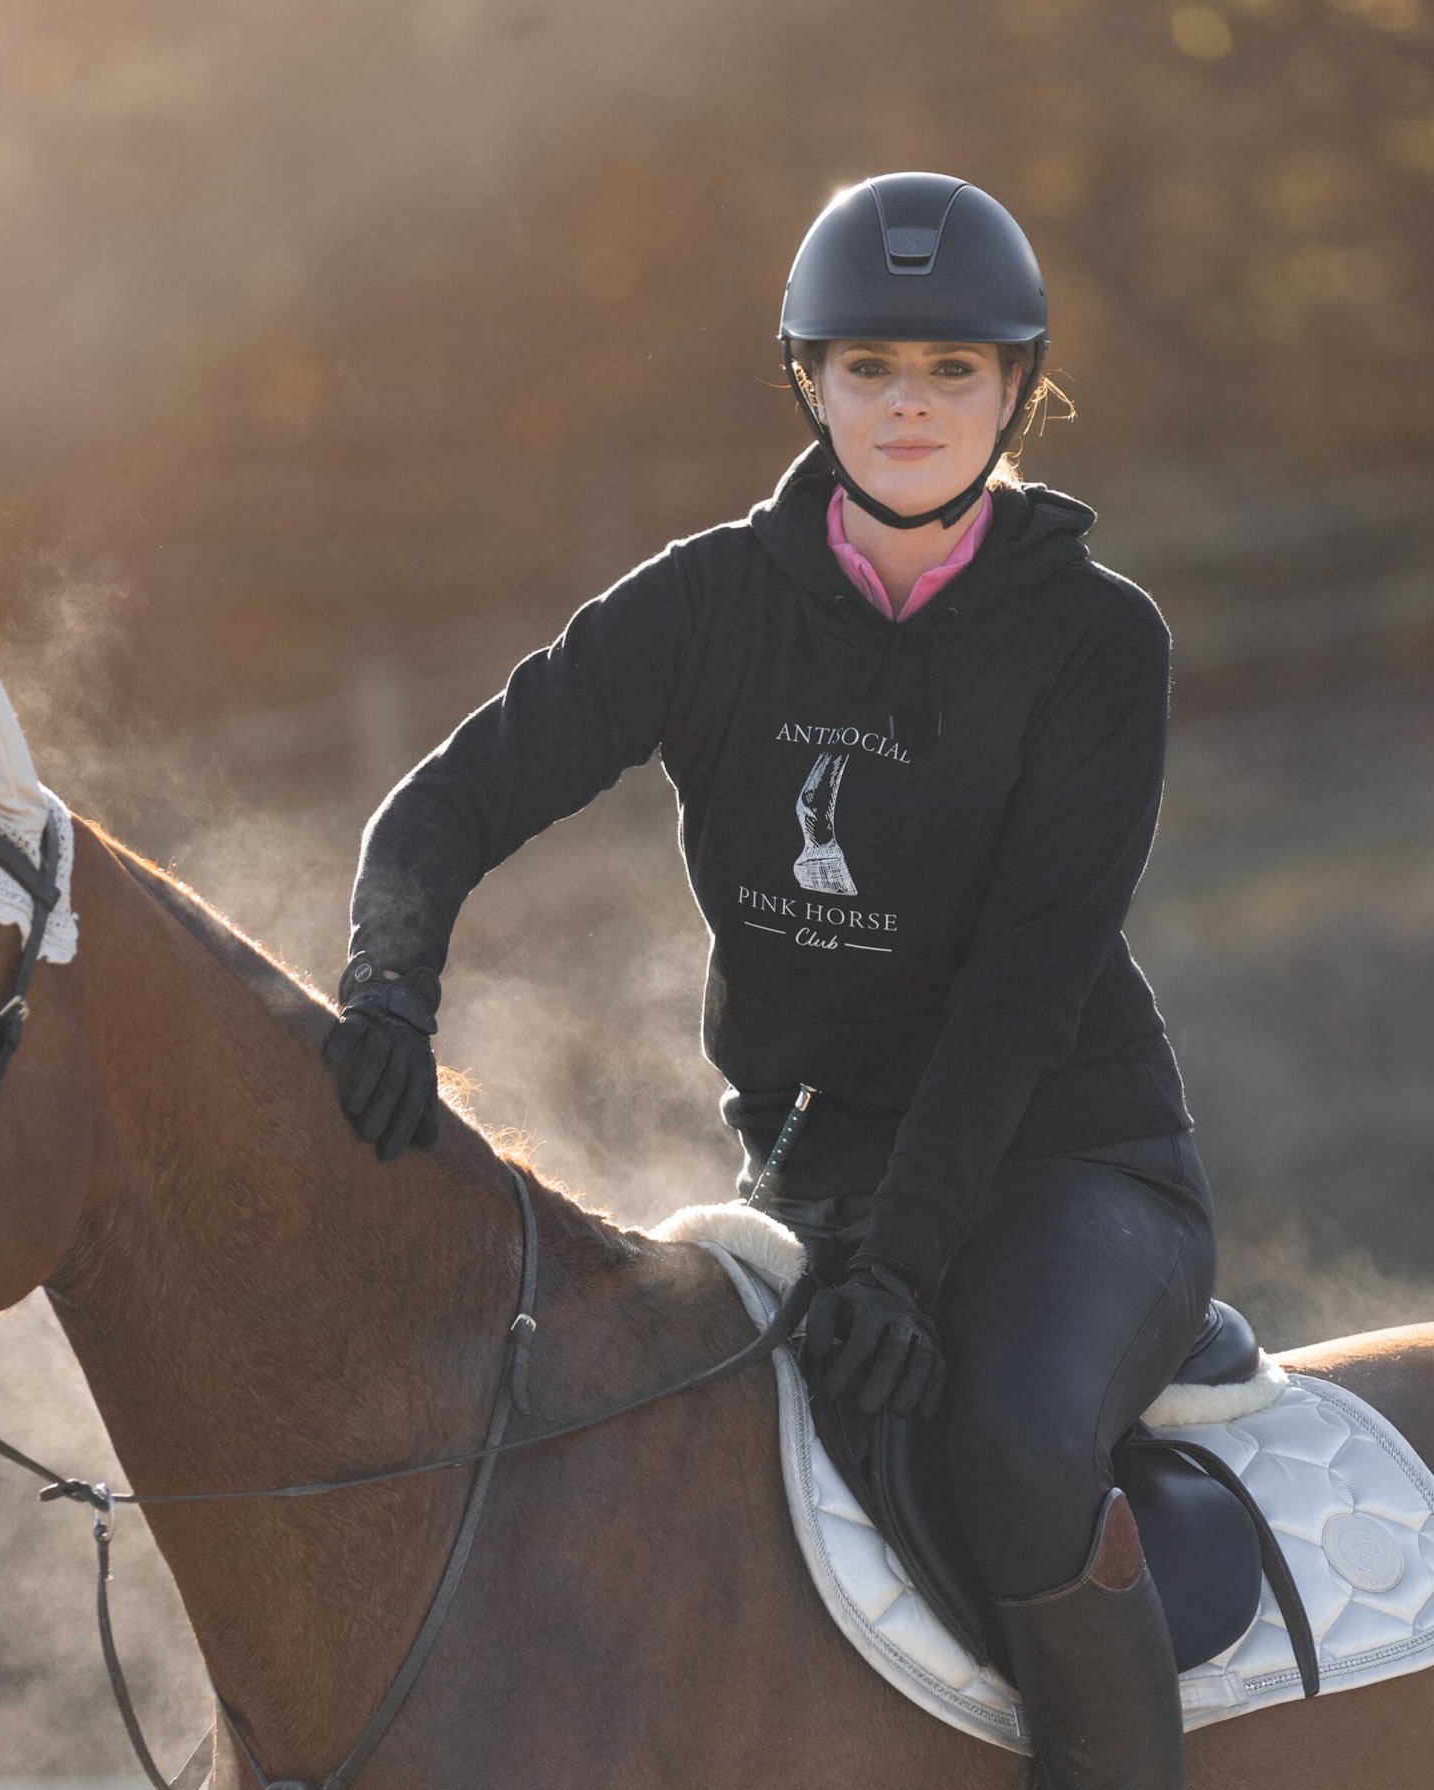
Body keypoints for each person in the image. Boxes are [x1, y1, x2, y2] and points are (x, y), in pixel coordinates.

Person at [321, 172, 1213, 1789]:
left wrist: (910, 1262)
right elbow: (441, 804)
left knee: (1010, 1452)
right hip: (810, 1184)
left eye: (955, 370)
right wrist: (389, 982)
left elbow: (1021, 987)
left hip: (1070, 1164)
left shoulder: (1099, 641)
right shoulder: (704, 607)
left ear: (1020, 384)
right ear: (808, 379)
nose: (912, 406)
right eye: (871, 366)